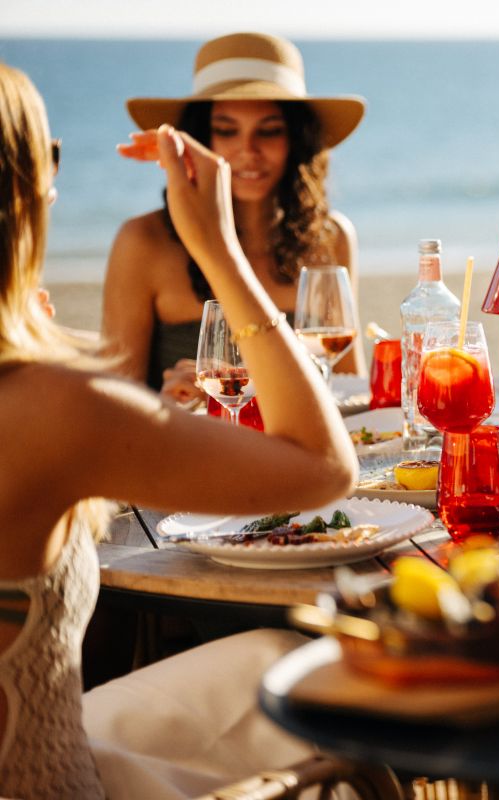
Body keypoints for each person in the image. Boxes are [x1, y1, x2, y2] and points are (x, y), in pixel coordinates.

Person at [0, 60, 358, 797]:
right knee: (312, 673)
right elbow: (322, 467)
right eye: (52, 158)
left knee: (267, 656)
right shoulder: (50, 407)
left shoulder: (48, 394)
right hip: (49, 777)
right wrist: (219, 249)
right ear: (21, 190)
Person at [102, 32, 367, 404]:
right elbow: (114, 410)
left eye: (270, 131)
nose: (248, 151)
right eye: (226, 130)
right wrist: (170, 402)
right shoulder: (142, 242)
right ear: (200, 138)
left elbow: (349, 390)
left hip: (297, 456)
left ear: (297, 139)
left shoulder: (331, 237)